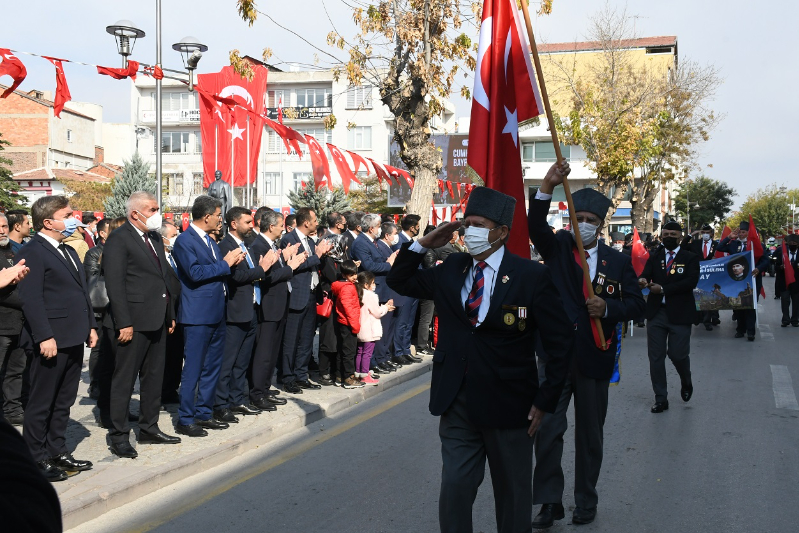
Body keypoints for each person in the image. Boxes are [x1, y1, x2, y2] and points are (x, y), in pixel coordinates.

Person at [387, 187, 574, 533]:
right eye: (467, 223)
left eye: (479, 224)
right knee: (455, 488)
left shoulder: (531, 276)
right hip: (457, 400)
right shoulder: (452, 267)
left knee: (513, 498)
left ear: (501, 232)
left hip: (511, 406)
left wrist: (545, 400)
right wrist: (423, 244)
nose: (468, 231)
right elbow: (400, 280)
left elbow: (560, 344)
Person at [528, 162, 646, 528]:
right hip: (556, 359)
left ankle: (585, 500)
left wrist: (608, 307)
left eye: (591, 218)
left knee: (590, 435)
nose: (584, 223)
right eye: (578, 217)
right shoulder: (560, 247)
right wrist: (546, 186)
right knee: (547, 432)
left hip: (596, 356)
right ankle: (549, 503)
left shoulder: (618, 261)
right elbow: (535, 228)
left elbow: (638, 305)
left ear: (602, 224)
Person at [15, 195, 98, 482]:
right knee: (42, 401)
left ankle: (57, 451)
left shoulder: (69, 250)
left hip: (74, 334)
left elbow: (81, 293)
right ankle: (35, 459)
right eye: (68, 214)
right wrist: (44, 336)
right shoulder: (34, 251)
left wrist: (90, 325)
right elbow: (31, 299)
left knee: (64, 400)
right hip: (51, 339)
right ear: (48, 221)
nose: (74, 218)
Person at [102, 192, 180, 458]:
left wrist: (170, 312)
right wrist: (123, 322)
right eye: (153, 208)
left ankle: (149, 428)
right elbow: (115, 284)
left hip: (157, 319)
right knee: (124, 380)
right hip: (132, 323)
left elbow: (164, 277)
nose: (158, 213)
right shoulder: (119, 239)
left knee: (154, 377)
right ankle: (119, 436)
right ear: (135, 213)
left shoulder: (154, 237)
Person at [172, 196, 245, 437]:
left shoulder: (211, 241)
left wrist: (231, 263)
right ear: (206, 217)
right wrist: (226, 264)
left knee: (212, 367)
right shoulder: (185, 240)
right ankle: (185, 418)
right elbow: (194, 273)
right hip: (197, 315)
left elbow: (216, 270)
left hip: (216, 311)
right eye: (217, 214)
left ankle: (204, 413)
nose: (220, 219)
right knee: (193, 368)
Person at [214, 207, 278, 424]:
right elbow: (236, 277)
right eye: (248, 222)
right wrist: (262, 270)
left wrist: (262, 269)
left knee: (242, 361)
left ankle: (237, 399)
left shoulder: (246, 246)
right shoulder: (225, 246)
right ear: (234, 224)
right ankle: (220, 405)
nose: (252, 225)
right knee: (228, 362)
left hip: (251, 309)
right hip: (235, 311)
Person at [638, 221, 700, 413]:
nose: (669, 237)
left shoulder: (689, 257)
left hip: (680, 313)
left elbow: (691, 281)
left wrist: (664, 289)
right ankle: (661, 398)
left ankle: (686, 380)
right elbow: (646, 274)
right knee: (655, 357)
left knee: (677, 354)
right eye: (665, 234)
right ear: (661, 236)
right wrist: (642, 280)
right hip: (657, 313)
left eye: (673, 234)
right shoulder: (655, 256)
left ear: (680, 236)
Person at [249, 210, 305, 409]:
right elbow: (265, 276)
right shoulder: (258, 246)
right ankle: (257, 393)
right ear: (271, 226)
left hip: (279, 305)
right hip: (268, 307)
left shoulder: (271, 245)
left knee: (272, 353)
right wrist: (290, 267)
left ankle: (264, 388)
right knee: (264, 353)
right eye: (281, 225)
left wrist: (286, 260)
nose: (284, 228)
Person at [278, 208, 332, 393]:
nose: (317, 223)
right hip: (296, 295)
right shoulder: (289, 239)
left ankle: (302, 375)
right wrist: (317, 256)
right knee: (291, 340)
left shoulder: (311, 240)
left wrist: (323, 254)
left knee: (307, 339)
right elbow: (294, 265)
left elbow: (316, 264)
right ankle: (287, 377)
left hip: (311, 294)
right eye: (315, 220)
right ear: (306, 222)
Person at [351, 214, 399, 371]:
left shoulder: (374, 242)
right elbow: (369, 265)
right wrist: (388, 264)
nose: (380, 229)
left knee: (383, 328)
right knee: (373, 330)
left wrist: (387, 263)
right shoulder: (360, 243)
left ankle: (382, 357)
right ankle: (373, 362)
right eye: (378, 226)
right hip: (372, 289)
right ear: (371, 228)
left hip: (383, 287)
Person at [716, 221, 770, 340]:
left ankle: (751, 332)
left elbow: (766, 260)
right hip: (737, 281)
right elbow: (719, 247)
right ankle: (740, 329)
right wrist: (729, 238)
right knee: (738, 306)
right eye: (739, 232)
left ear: (748, 233)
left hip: (753, 279)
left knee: (750, 306)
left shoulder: (757, 244)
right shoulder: (734, 244)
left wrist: (758, 268)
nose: (740, 234)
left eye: (743, 232)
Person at [0, 213, 26, 426]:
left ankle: (13, 409)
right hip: (1, 324)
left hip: (18, 324)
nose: (2, 230)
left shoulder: (14, 251)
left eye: (4, 226)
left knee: (15, 371)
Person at [159, 221, 183, 404]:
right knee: (164, 356)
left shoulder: (175, 255)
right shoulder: (158, 258)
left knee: (176, 354)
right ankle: (160, 391)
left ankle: (171, 389)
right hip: (166, 314)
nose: (176, 238)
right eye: (173, 235)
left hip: (180, 311)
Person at [331, 260, 364, 389]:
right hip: (349, 323)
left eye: (355, 274)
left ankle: (339, 376)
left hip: (343, 322)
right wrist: (355, 325)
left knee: (342, 351)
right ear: (344, 275)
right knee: (349, 352)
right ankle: (349, 378)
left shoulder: (341, 286)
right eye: (351, 275)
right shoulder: (347, 288)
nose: (355, 277)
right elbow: (349, 308)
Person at [357, 270, 393, 385]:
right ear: (366, 284)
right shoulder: (371, 296)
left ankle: (358, 372)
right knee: (367, 353)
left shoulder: (358, 292)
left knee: (360, 352)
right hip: (369, 329)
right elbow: (377, 312)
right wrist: (386, 308)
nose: (374, 285)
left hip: (360, 328)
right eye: (372, 283)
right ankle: (365, 374)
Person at [394, 215, 422, 359]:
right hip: (404, 288)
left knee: (409, 321)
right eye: (417, 226)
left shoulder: (411, 241)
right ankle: (399, 352)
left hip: (413, 286)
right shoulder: (399, 240)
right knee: (402, 321)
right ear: (412, 228)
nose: (418, 228)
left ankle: (406, 349)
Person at [686, 224, 720, 330]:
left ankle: (712, 318)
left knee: (712, 294)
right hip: (698, 273)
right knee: (701, 294)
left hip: (712, 273)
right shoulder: (696, 243)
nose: (706, 234)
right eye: (704, 232)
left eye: (708, 232)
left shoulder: (716, 245)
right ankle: (703, 319)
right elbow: (682, 246)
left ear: (712, 234)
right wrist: (690, 235)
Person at [776, 234, 799, 327]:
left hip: (797, 283)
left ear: (797, 244)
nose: (792, 244)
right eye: (790, 243)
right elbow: (776, 266)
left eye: (794, 243)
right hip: (784, 282)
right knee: (785, 301)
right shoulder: (782, 253)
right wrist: (780, 267)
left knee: (796, 303)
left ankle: (795, 320)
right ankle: (785, 319)